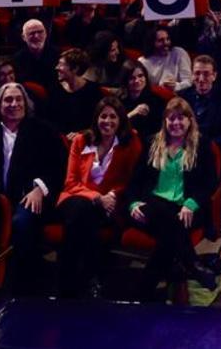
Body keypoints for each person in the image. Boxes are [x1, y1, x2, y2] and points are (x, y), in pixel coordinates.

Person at [0, 82, 66, 294]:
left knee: (21, 222)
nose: (14, 104)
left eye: (18, 99)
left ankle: (20, 283)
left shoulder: (43, 130)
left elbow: (58, 167)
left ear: (26, 103)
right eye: (8, 99)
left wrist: (40, 189)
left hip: (30, 195)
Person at [127, 98, 220, 300]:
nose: (175, 123)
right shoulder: (152, 143)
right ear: (165, 121)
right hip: (152, 206)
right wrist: (133, 202)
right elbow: (136, 180)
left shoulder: (202, 145)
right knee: (163, 214)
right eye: (171, 119)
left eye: (181, 118)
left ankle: (142, 293)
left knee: (168, 239)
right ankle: (192, 264)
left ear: (189, 121)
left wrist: (191, 203)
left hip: (186, 209)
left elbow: (210, 181)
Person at [57, 96, 139, 298]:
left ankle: (68, 278)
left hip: (109, 202)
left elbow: (132, 179)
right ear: (96, 119)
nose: (107, 121)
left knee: (84, 218)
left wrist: (111, 194)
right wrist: (96, 197)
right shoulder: (80, 141)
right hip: (75, 197)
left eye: (113, 117)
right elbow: (71, 182)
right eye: (103, 116)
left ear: (120, 120)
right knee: (84, 210)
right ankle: (92, 277)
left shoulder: (130, 142)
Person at [177, 55, 221, 177]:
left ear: (214, 76)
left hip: (215, 150)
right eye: (197, 73)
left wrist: (206, 146)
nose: (201, 78)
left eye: (206, 74)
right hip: (186, 148)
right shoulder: (183, 97)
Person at [44, 48, 104, 136]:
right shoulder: (54, 89)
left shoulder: (93, 91)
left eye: (61, 65)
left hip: (85, 139)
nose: (56, 67)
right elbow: (48, 120)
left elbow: (98, 122)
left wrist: (82, 134)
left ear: (75, 69)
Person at [119, 59, 168, 140]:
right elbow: (115, 125)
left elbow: (160, 129)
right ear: (125, 80)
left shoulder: (157, 100)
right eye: (132, 78)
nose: (137, 81)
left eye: (140, 76)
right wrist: (132, 113)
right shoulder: (119, 101)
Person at [140, 26, 193, 92]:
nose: (166, 43)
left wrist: (176, 86)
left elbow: (189, 82)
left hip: (178, 95)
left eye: (167, 39)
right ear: (151, 43)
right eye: (160, 40)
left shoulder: (179, 53)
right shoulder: (143, 62)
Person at [12, 19, 59, 86]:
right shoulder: (17, 59)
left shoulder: (58, 55)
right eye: (32, 33)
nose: (36, 36)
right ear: (23, 37)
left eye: (40, 32)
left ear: (46, 34)